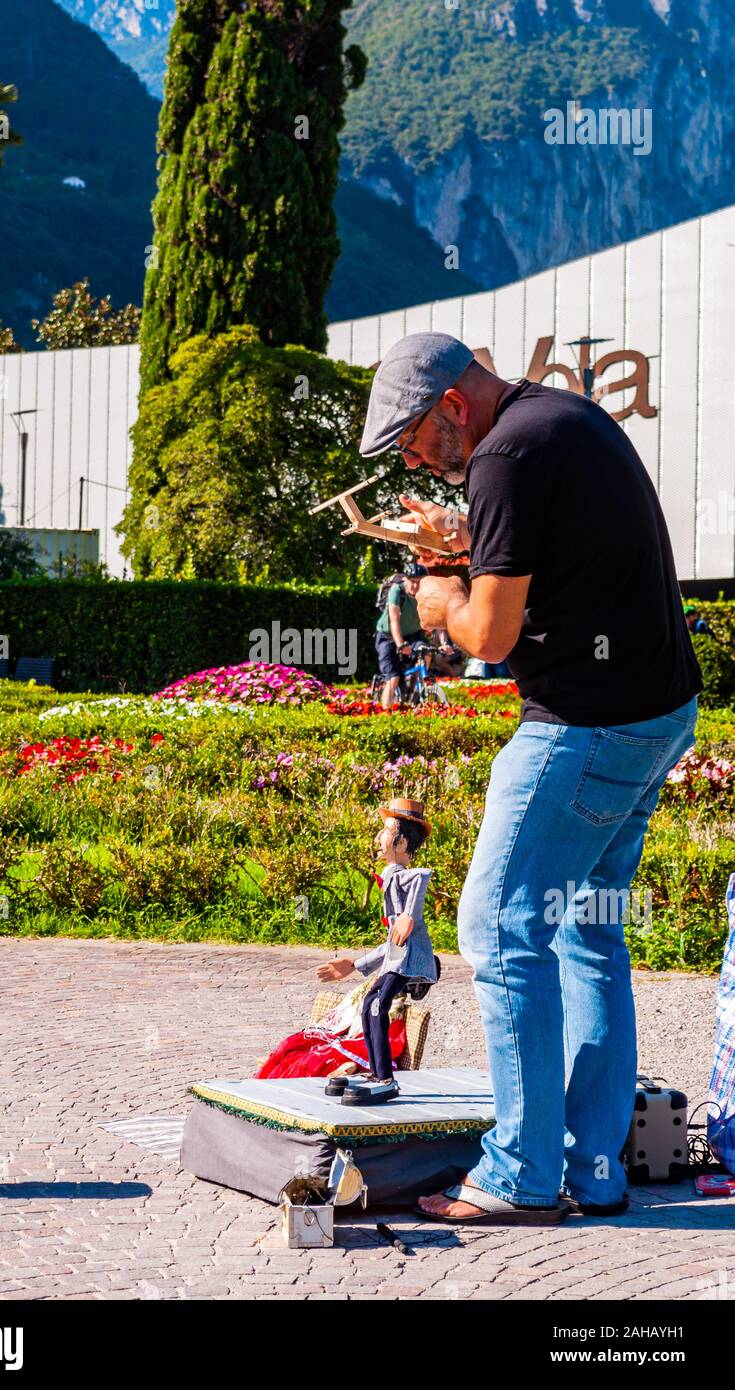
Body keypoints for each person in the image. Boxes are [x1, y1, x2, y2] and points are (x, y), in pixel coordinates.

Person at [358, 332, 702, 1224]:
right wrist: (467, 542)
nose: (409, 456)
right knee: (587, 931)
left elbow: (491, 637)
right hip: (655, 713)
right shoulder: (560, 417)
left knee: (499, 928)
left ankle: (520, 1175)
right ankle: (591, 1170)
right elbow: (560, 561)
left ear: (453, 407)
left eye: (409, 436)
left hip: (585, 724)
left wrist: (437, 590)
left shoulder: (502, 455)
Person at [317, 797, 438, 1105]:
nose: (377, 839)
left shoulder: (402, 875)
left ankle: (385, 1079)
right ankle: (375, 1072)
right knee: (370, 1002)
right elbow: (390, 944)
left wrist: (410, 914)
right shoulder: (390, 877)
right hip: (397, 957)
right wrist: (354, 965)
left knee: (376, 1006)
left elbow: (424, 875)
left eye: (384, 832)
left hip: (409, 961)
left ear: (400, 841)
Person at [374, 569, 425, 708]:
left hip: (413, 635)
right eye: (412, 582)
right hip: (388, 636)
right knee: (393, 677)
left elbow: (438, 617)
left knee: (426, 654)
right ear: (405, 580)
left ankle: (412, 692)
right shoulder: (397, 591)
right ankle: (385, 715)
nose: (416, 586)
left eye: (419, 582)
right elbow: (394, 618)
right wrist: (400, 644)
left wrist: (444, 643)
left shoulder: (426, 593)